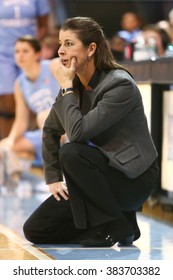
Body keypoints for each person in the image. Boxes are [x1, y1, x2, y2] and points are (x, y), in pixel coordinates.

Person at [23, 16, 159, 247]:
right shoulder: (74, 86)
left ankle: (115, 223)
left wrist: (65, 87)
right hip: (96, 177)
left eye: (68, 44)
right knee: (36, 229)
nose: (61, 51)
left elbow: (77, 133)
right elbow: (50, 129)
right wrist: (54, 178)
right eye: (60, 44)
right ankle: (122, 225)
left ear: (91, 48)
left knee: (72, 152)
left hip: (132, 180)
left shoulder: (119, 85)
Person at [0, 36, 60, 186]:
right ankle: (15, 191)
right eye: (17, 51)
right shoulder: (19, 83)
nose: (20, 55)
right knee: (4, 147)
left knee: (44, 116)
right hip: (44, 132)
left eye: (25, 51)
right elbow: (21, 120)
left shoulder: (53, 66)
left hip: (66, 127)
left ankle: (57, 174)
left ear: (37, 54)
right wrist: (11, 140)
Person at [0, 0, 50, 140]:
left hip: (28, 54)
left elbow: (44, 26)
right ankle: (6, 150)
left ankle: (32, 146)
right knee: (7, 106)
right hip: (3, 54)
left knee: (32, 104)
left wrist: (31, 46)